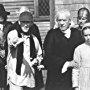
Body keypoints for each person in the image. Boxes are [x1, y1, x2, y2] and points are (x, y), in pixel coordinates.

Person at [43, 9, 84, 90]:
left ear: (69, 21)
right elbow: (48, 56)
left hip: (72, 76)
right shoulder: (51, 34)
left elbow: (82, 51)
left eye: (64, 20)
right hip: (55, 77)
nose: (61, 23)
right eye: (59, 20)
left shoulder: (77, 34)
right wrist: (67, 63)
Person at [6, 11, 44, 90]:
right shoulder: (13, 33)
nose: (26, 25)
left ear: (31, 23)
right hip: (15, 77)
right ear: (19, 22)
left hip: (29, 77)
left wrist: (37, 61)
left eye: (28, 22)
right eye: (23, 22)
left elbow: (39, 54)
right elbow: (12, 42)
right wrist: (18, 41)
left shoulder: (34, 38)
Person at [70, 22, 90, 90]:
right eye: (86, 35)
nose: (88, 37)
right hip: (84, 80)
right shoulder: (79, 49)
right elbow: (76, 68)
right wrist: (76, 85)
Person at [0, 4, 12, 90]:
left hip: (8, 55)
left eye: (2, 15)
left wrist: (6, 51)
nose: (1, 17)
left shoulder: (10, 26)